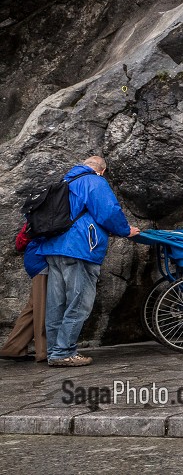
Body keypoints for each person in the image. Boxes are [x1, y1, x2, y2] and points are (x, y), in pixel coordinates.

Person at [27, 155, 140, 367]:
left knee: (56, 304)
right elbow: (108, 212)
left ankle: (55, 351)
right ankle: (63, 352)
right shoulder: (94, 181)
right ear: (101, 170)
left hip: (53, 249)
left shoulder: (63, 183)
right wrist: (126, 230)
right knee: (79, 302)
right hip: (79, 249)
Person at [1, 238, 48, 362]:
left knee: (34, 307)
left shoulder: (34, 219)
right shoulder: (43, 218)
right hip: (41, 260)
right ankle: (43, 351)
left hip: (36, 258)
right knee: (42, 307)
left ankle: (14, 348)